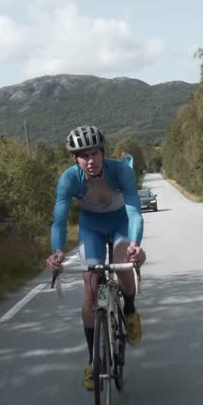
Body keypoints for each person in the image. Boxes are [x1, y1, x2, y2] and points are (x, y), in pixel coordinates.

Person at [46, 125, 146, 391]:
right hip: (91, 228)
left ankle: (129, 309)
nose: (90, 160)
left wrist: (135, 244)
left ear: (103, 153)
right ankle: (93, 361)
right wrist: (57, 250)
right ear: (75, 159)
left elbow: (135, 213)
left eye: (94, 154)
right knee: (91, 290)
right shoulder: (69, 179)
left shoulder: (121, 172)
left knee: (121, 262)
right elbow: (59, 221)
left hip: (121, 224)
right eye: (83, 156)